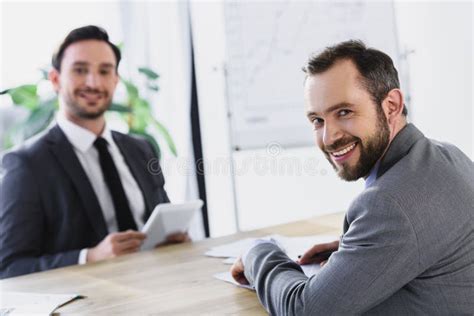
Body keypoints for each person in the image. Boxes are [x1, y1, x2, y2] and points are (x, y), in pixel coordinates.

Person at [231, 40, 474, 314]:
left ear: (391, 106)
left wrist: (258, 252)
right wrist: (359, 251)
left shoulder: (388, 204)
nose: (329, 137)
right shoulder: (448, 156)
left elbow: (304, 310)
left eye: (344, 112)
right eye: (317, 120)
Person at [0, 25, 188, 279]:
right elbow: (10, 267)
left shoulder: (140, 148)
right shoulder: (26, 164)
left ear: (115, 79)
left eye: (104, 71)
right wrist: (89, 257)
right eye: (80, 70)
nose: (94, 82)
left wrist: (169, 242)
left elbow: (158, 223)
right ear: (55, 80)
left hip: (157, 288)